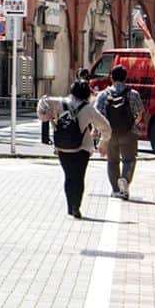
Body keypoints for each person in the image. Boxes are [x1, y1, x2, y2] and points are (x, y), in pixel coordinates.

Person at [38, 78, 111, 219]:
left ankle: (70, 207)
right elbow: (106, 127)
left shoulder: (59, 102)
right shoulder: (88, 108)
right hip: (82, 149)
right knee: (79, 177)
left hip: (63, 148)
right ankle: (76, 206)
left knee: (69, 177)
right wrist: (103, 142)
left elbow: (43, 101)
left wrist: (45, 116)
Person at [95, 64, 144, 200]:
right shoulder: (133, 94)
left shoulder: (103, 95)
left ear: (111, 78)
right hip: (128, 133)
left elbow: (97, 114)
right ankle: (125, 180)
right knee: (129, 160)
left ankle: (116, 190)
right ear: (125, 78)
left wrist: (96, 131)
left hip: (109, 134)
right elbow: (139, 113)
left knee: (112, 162)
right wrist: (133, 123)